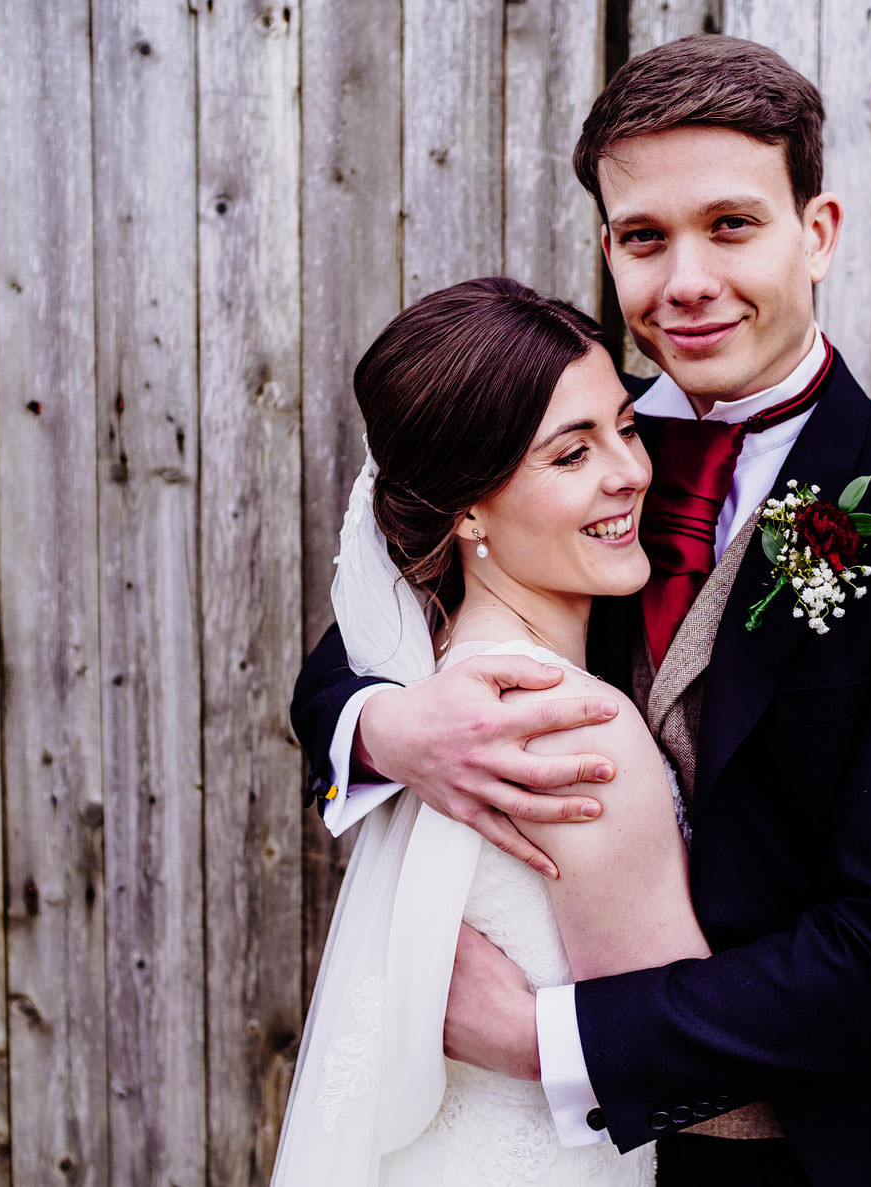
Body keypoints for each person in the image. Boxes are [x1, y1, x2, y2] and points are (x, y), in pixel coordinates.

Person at [292, 35, 871, 1185]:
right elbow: (352, 654)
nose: (685, 279)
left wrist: (547, 1038)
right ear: (608, 248)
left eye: (731, 224)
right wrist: (391, 730)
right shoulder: (566, 462)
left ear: (819, 233)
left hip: (801, 1154)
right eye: (645, 237)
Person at [272, 277, 704, 1185]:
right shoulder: (571, 729)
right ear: (467, 508)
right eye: (570, 454)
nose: (629, 471)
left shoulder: (427, 666)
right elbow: (686, 1070)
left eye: (625, 428)